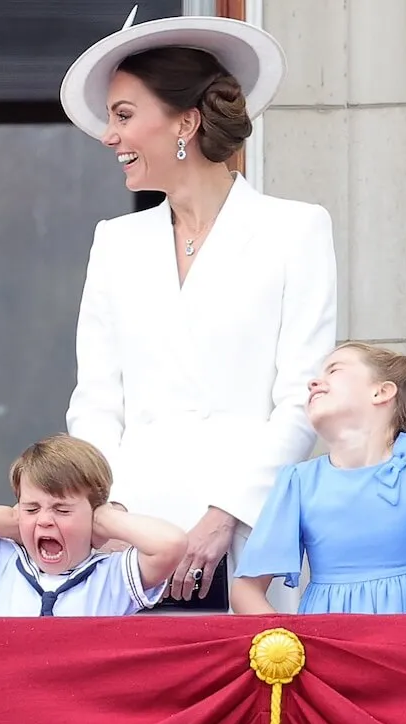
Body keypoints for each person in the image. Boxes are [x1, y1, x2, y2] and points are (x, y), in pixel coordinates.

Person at [58, 12, 338, 612]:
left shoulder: (295, 230)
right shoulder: (115, 241)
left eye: (124, 115)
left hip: (248, 542)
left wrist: (226, 516)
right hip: (130, 546)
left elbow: (301, 400)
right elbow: (97, 401)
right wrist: (113, 516)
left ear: (185, 121)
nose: (110, 136)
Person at [231, 343, 406, 614]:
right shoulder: (298, 481)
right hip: (329, 649)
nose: (314, 383)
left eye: (334, 370)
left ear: (381, 391)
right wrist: (290, 647)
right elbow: (246, 589)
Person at [0, 434, 187, 617]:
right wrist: (10, 520)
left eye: (62, 509)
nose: (44, 520)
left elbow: (171, 544)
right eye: (31, 507)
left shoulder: (112, 577)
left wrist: (105, 520)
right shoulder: (3, 566)